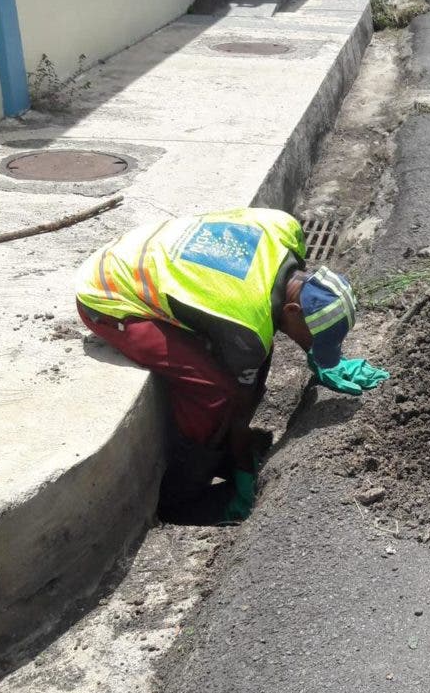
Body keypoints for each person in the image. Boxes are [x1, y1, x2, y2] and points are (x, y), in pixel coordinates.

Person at [75, 207, 388, 522]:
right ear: (293, 310)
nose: (310, 346)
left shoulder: (285, 229)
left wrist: (320, 354)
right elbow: (237, 400)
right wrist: (241, 468)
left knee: (248, 363)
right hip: (109, 294)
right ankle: (181, 498)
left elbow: (254, 362)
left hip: (142, 251)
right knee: (212, 390)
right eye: (312, 340)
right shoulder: (247, 320)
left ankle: (220, 449)